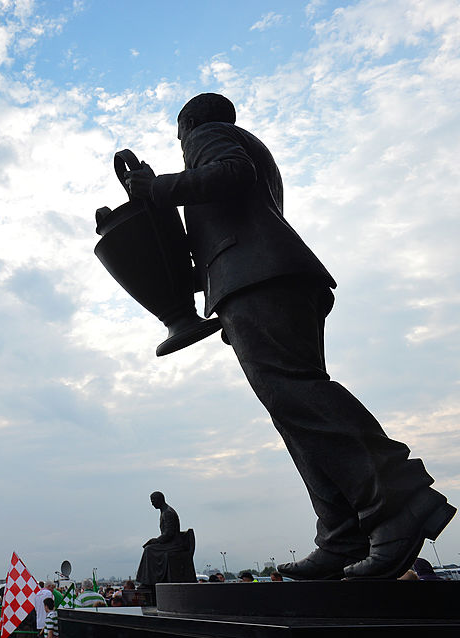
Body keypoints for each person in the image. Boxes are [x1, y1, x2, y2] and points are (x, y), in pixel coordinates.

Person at [125, 92, 454, 581]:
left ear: (189, 123)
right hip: (260, 280)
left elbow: (231, 174)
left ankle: (396, 501)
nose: (180, 144)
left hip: (263, 282)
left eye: (179, 135)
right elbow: (224, 240)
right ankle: (345, 535)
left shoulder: (209, 137)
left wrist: (156, 190)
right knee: (291, 409)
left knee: (296, 394)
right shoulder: (237, 155)